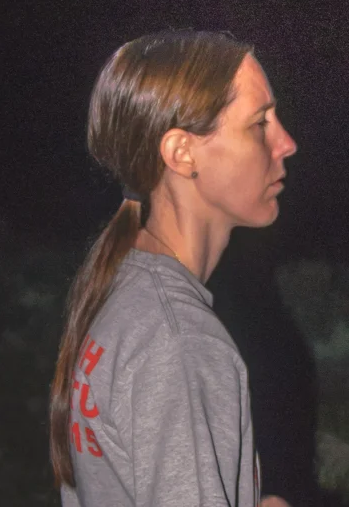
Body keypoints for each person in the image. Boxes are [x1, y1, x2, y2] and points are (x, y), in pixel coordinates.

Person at [48, 29, 297, 507]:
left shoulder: (124, 285)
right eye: (260, 124)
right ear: (182, 153)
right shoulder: (180, 342)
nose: (286, 142)